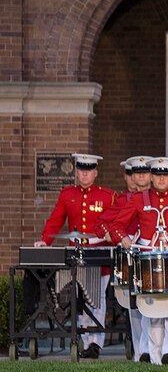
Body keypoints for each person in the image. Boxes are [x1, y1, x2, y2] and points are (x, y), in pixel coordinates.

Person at [108, 157, 168, 365]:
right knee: (149, 309)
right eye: (158, 175)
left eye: (166, 175)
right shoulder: (138, 199)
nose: (162, 179)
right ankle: (152, 354)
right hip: (147, 260)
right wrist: (122, 237)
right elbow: (117, 224)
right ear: (152, 177)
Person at [35, 153, 117, 359]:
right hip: (76, 254)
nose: (84, 174)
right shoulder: (67, 194)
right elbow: (55, 220)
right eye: (81, 170)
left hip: (99, 253)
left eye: (88, 170)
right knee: (79, 299)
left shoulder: (108, 196)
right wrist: (45, 240)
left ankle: (95, 343)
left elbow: (116, 222)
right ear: (76, 172)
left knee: (96, 299)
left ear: (95, 173)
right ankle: (82, 338)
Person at [97, 155, 153, 361]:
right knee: (134, 309)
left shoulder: (156, 198)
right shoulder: (122, 200)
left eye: (142, 173)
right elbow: (103, 222)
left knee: (151, 304)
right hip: (130, 257)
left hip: (149, 255)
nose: (135, 179)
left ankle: (151, 350)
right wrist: (112, 235)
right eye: (132, 174)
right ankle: (141, 352)